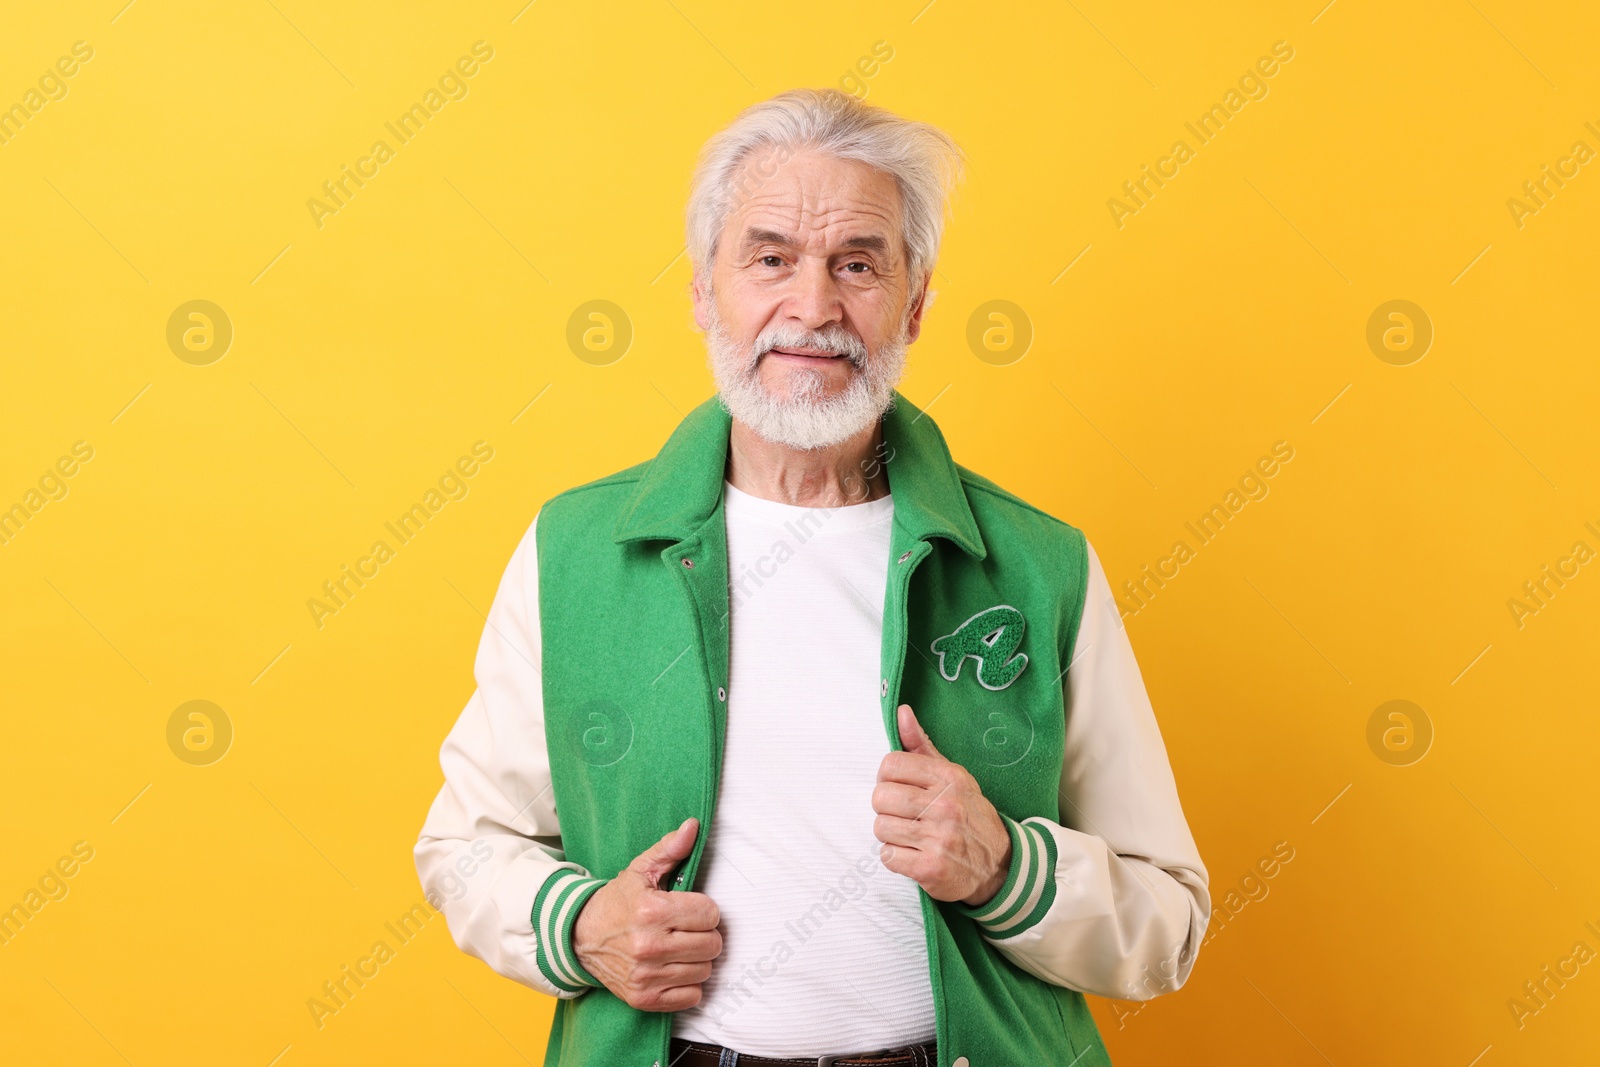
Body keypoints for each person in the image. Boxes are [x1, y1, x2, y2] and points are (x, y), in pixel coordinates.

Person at [414, 87, 1209, 1067]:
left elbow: (1169, 919)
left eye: (858, 265)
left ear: (914, 304)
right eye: (770, 257)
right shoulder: (573, 550)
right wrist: (577, 924)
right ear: (704, 292)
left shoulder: (1040, 566)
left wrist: (1007, 867)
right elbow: (463, 847)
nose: (814, 306)